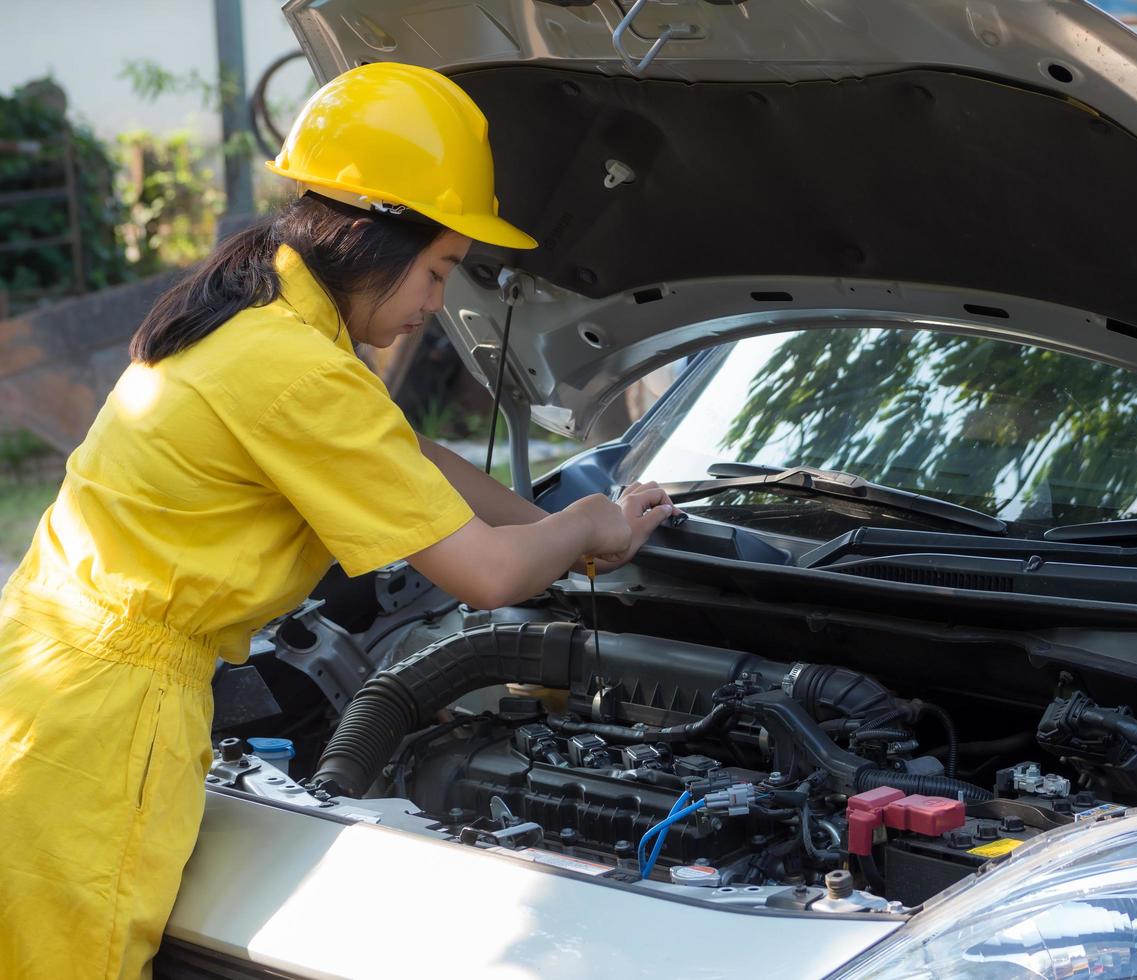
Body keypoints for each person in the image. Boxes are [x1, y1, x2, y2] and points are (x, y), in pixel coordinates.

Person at [0, 63, 678, 978]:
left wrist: (572, 531)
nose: (439, 303)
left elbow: (412, 455)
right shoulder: (295, 369)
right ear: (374, 238)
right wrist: (587, 525)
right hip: (109, 717)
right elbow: (482, 576)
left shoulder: (268, 321)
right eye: (439, 270)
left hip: (48, 673)